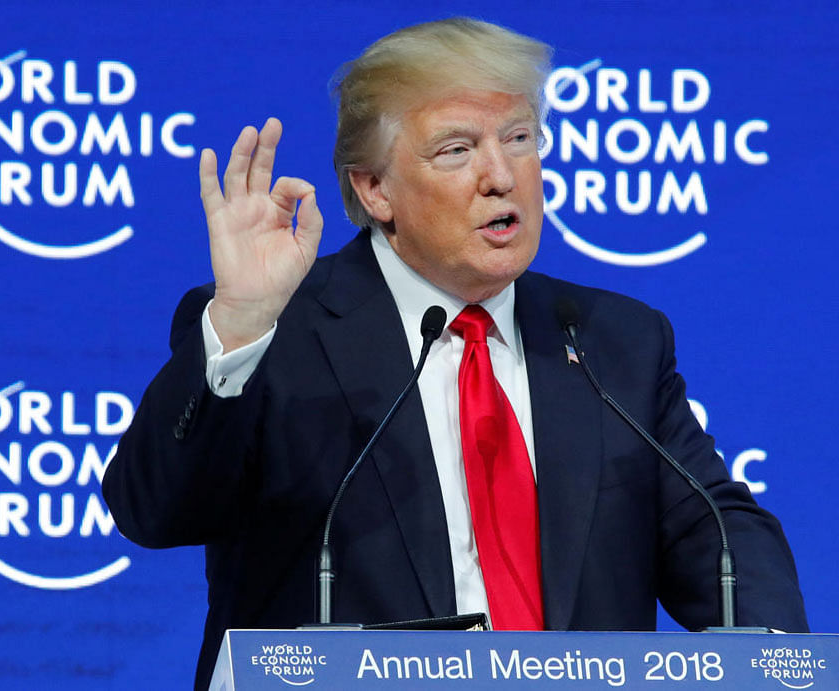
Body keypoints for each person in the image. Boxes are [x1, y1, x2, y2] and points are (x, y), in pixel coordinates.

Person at [102, 17, 807, 690]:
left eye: (520, 138)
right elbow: (156, 512)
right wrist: (242, 320)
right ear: (374, 188)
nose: (501, 175)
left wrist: (773, 656)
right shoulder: (279, 331)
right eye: (457, 150)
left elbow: (715, 530)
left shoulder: (612, 340)